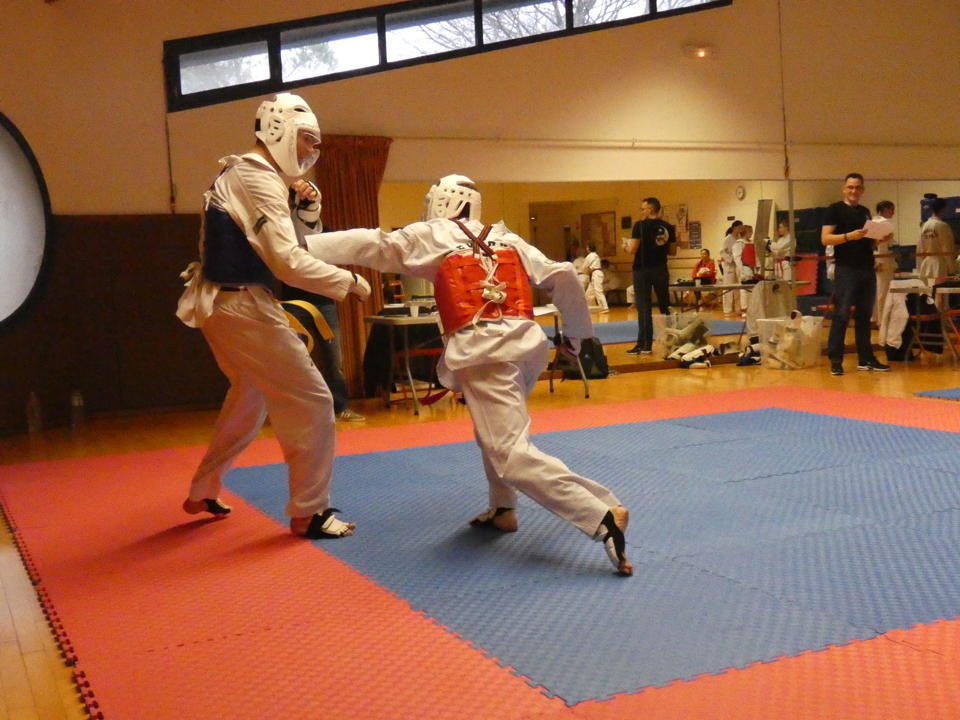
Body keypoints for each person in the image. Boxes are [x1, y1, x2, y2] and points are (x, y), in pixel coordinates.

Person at [305, 174, 633, 576]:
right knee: (495, 431)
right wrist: (579, 337)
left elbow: (373, 243)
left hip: (485, 351)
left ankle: (600, 513)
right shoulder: (508, 237)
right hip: (525, 347)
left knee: (510, 455)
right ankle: (503, 508)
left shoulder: (432, 235)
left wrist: (304, 245)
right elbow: (562, 273)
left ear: (441, 202)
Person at [175, 93, 372, 539]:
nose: (311, 150)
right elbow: (288, 261)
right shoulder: (256, 176)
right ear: (280, 130)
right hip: (240, 304)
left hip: (224, 302)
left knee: (249, 395)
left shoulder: (247, 174)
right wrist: (349, 282)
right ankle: (309, 512)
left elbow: (288, 244)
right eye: (307, 139)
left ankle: (203, 489)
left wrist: (308, 210)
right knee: (313, 400)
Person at [821, 172, 889, 375]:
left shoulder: (865, 212)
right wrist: (848, 236)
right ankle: (835, 360)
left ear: (862, 190)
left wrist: (880, 238)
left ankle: (866, 358)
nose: (854, 191)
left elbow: (868, 241)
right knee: (842, 314)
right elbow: (825, 238)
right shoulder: (835, 209)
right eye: (850, 187)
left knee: (864, 315)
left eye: (857, 187)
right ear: (844, 189)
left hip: (866, 267)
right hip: (846, 268)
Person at [280, 285, 365, 422]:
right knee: (294, 360)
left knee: (333, 359)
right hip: (293, 301)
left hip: (325, 302)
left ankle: (340, 408)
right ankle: (298, 410)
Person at [627, 197, 677, 355]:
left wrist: (625, 246)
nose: (642, 212)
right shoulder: (668, 227)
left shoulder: (640, 226)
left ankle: (645, 344)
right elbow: (673, 251)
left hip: (642, 270)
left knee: (644, 308)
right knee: (665, 306)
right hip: (661, 269)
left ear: (650, 209)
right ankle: (672, 341)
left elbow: (632, 249)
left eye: (643, 209)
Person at [917, 197, 957, 289]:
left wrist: (920, 266)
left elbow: (920, 248)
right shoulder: (942, 226)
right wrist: (951, 269)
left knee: (930, 293)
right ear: (943, 209)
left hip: (927, 264)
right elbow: (947, 248)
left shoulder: (925, 225)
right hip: (940, 265)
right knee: (941, 293)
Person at [872, 200, 897, 327]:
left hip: (875, 258)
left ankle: (875, 317)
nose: (893, 212)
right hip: (883, 260)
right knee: (883, 291)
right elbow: (882, 245)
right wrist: (880, 261)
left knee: (877, 291)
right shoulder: (884, 223)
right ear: (885, 209)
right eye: (891, 209)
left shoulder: (873, 221)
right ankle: (882, 320)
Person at [719, 220, 743, 315]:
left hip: (738, 265)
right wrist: (731, 259)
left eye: (741, 228)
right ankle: (727, 309)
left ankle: (738, 308)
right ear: (734, 228)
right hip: (729, 265)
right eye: (739, 227)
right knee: (728, 288)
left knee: (738, 288)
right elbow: (722, 252)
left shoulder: (739, 238)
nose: (741, 229)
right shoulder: (728, 238)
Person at [733, 224, 756, 313]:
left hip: (752, 268)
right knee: (744, 290)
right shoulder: (739, 243)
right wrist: (741, 270)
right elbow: (737, 258)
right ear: (745, 232)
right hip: (744, 267)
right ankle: (744, 309)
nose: (751, 233)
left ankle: (752, 309)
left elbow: (755, 256)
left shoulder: (751, 242)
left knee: (753, 290)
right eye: (750, 232)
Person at [583, 242, 608, 311]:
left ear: (588, 248)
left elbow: (584, 267)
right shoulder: (595, 255)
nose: (586, 248)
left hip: (596, 273)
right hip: (594, 274)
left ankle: (604, 307)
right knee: (589, 293)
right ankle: (590, 308)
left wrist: (586, 271)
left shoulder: (591, 255)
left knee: (598, 291)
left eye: (587, 247)